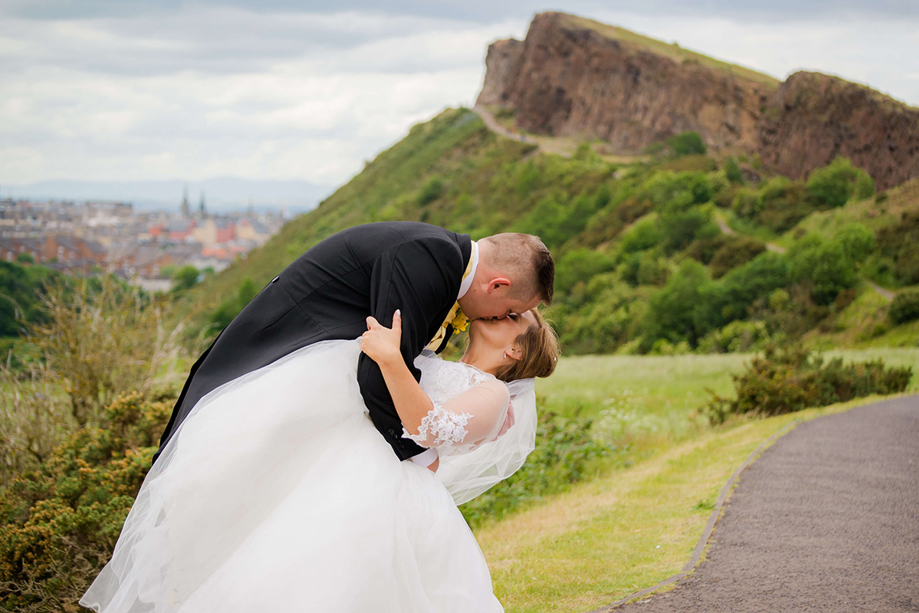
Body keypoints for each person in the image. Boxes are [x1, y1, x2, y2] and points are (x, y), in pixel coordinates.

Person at [80, 306, 560, 612]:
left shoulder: (493, 396)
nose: (509, 310)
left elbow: (428, 428)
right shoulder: (443, 361)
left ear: (516, 350)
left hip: (388, 495)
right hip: (345, 470)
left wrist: (391, 361)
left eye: (518, 317)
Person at [155, 222, 555, 471]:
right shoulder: (430, 259)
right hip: (268, 358)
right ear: (497, 285)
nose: (497, 317)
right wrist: (417, 457)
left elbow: (396, 368)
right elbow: (378, 368)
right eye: (511, 309)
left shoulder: (442, 268)